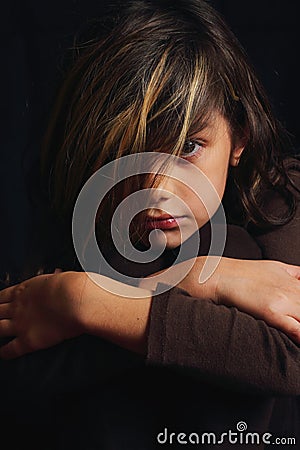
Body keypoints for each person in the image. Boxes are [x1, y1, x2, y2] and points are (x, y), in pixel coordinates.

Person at [0, 0, 300, 448]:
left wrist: (85, 300)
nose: (158, 186)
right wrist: (202, 283)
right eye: (132, 151)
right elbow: (22, 363)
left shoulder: (284, 194)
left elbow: (288, 359)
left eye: (189, 147)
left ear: (239, 136)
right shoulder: (103, 224)